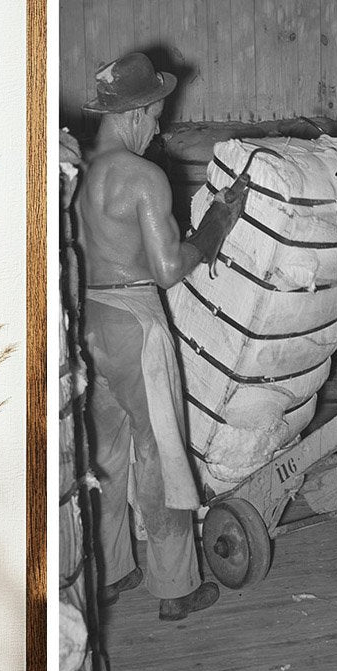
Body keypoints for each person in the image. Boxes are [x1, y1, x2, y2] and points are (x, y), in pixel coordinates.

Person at [77, 51, 219, 622]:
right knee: (160, 450)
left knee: (106, 451)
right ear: (135, 114)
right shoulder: (142, 176)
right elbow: (167, 269)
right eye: (156, 114)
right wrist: (213, 230)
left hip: (86, 316)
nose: (159, 125)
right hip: (135, 319)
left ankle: (111, 571)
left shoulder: (80, 168)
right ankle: (176, 585)